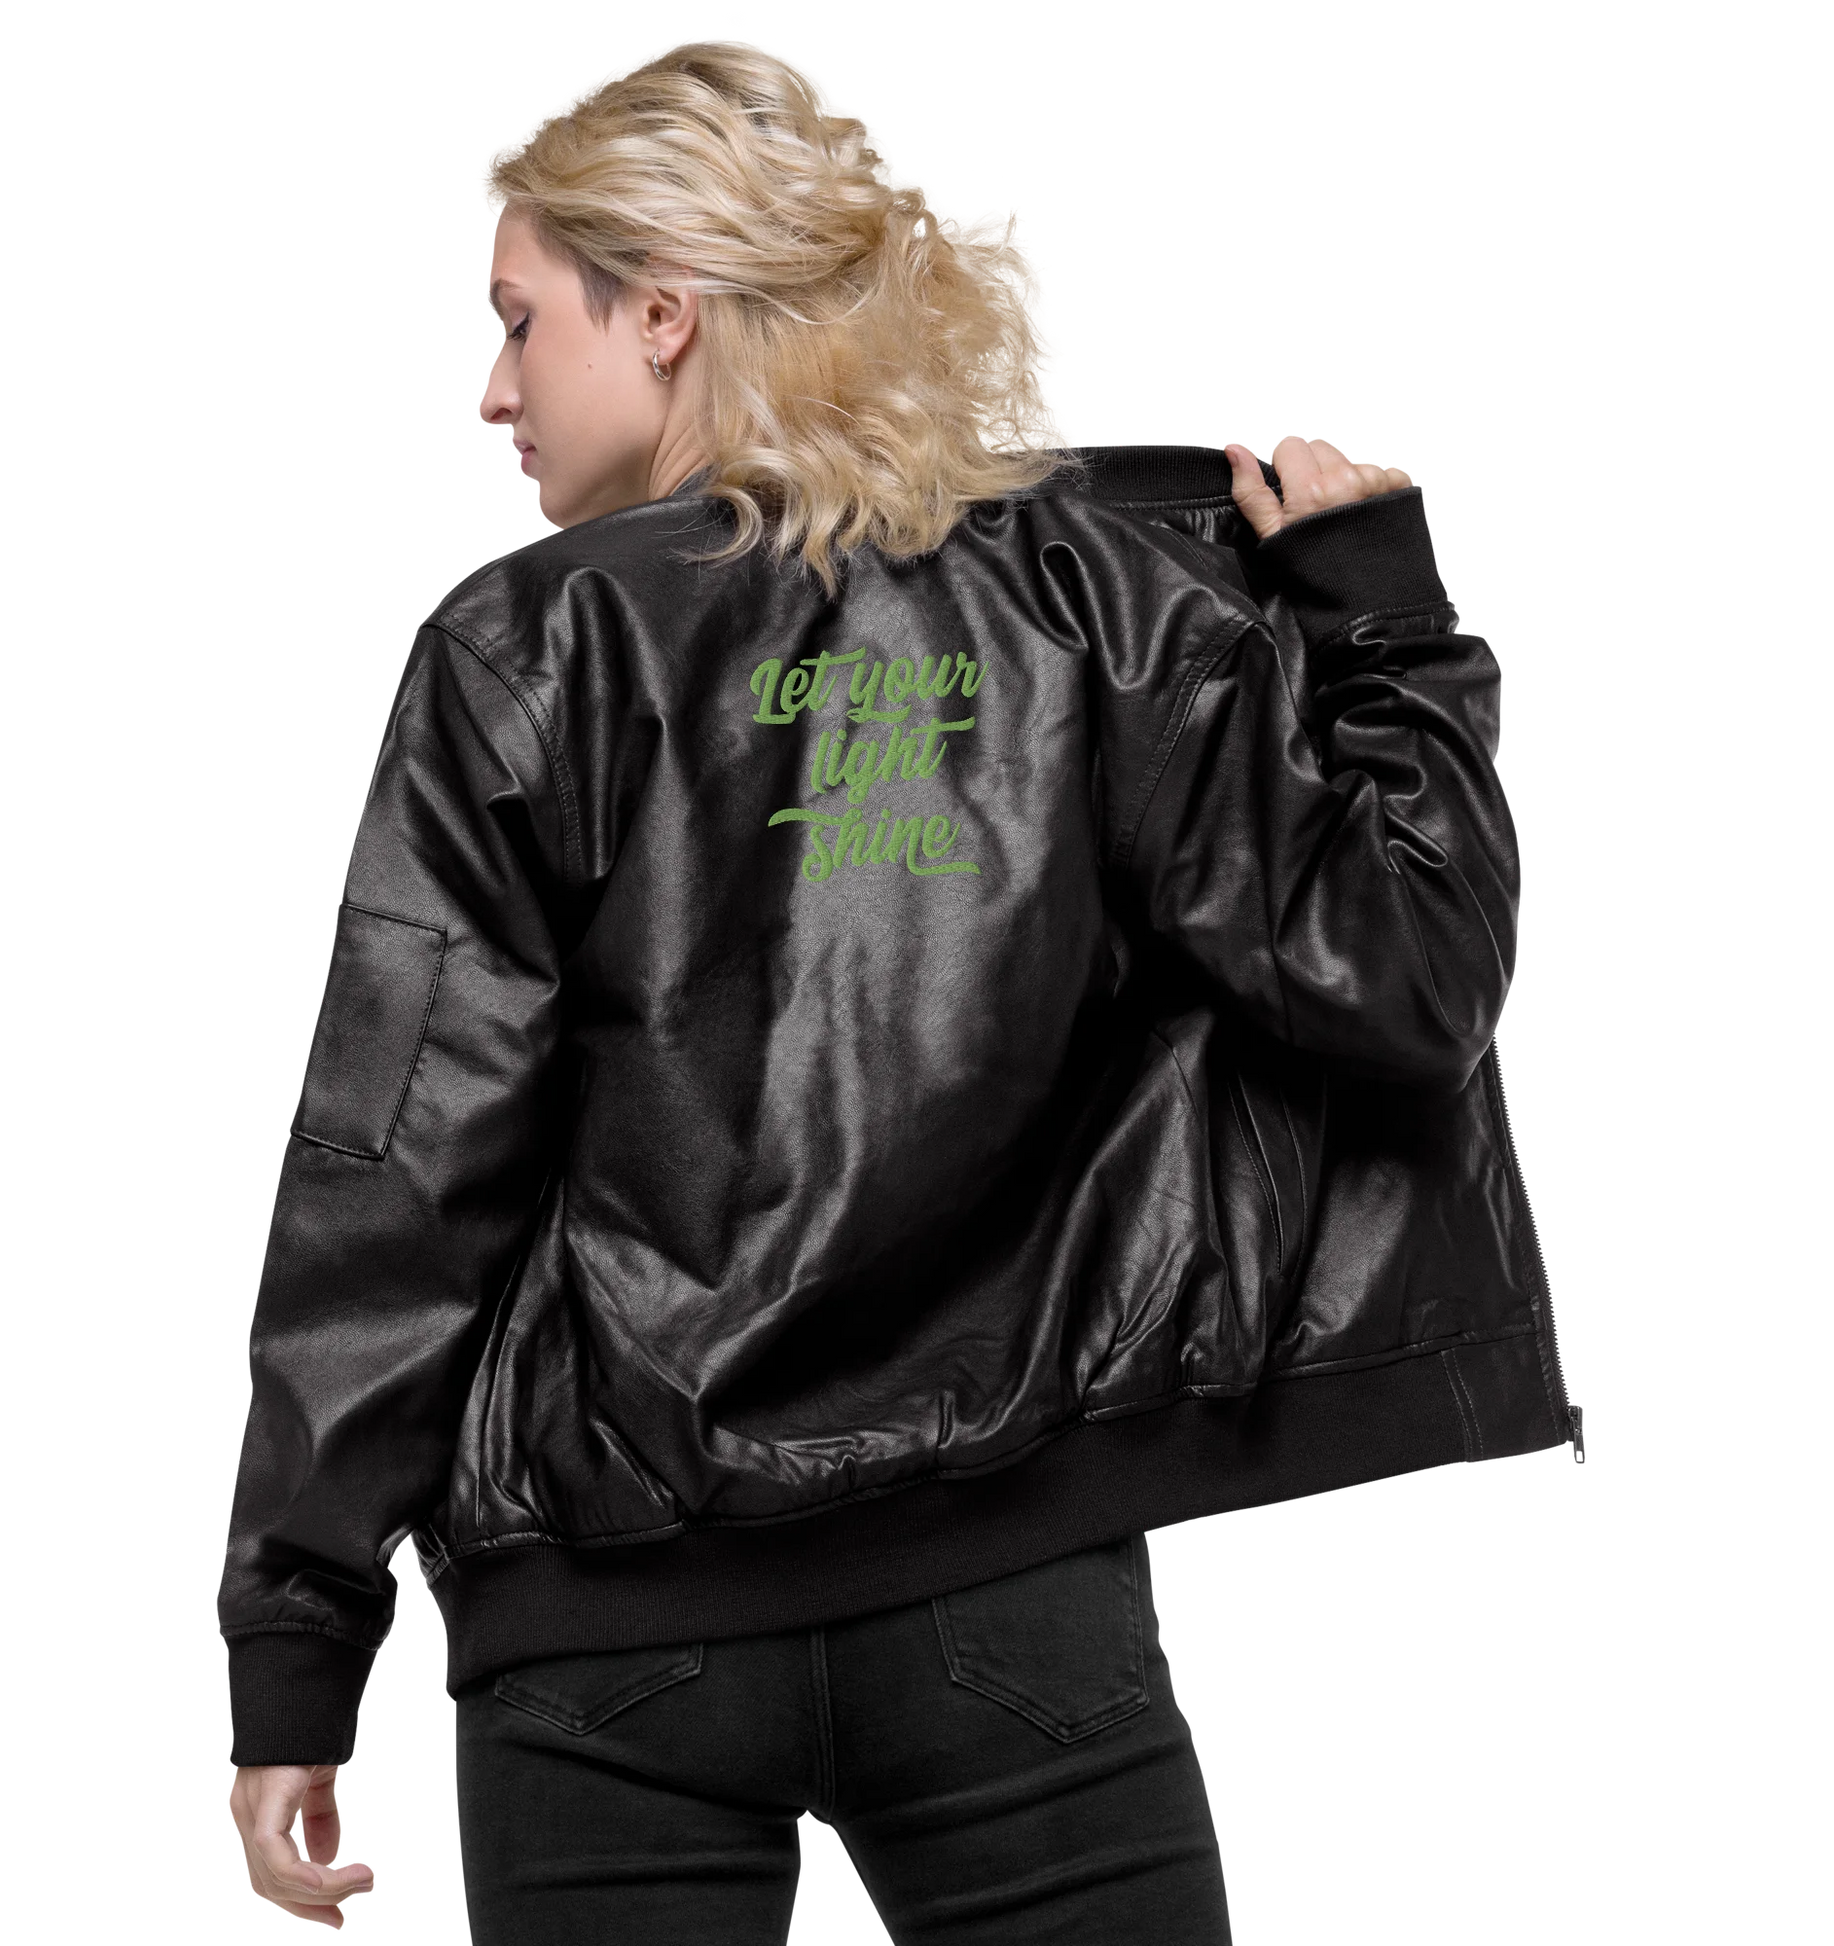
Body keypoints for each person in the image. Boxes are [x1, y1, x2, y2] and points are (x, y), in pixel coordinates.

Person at [218, 32, 1580, 1943]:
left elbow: (393, 1177)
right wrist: (1388, 625)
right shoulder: (1095, 599)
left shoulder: (520, 644)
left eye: (520, 324)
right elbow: (1411, 977)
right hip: (1017, 1606)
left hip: (611, 1637)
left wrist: (297, 1642)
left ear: (666, 311)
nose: (491, 389)